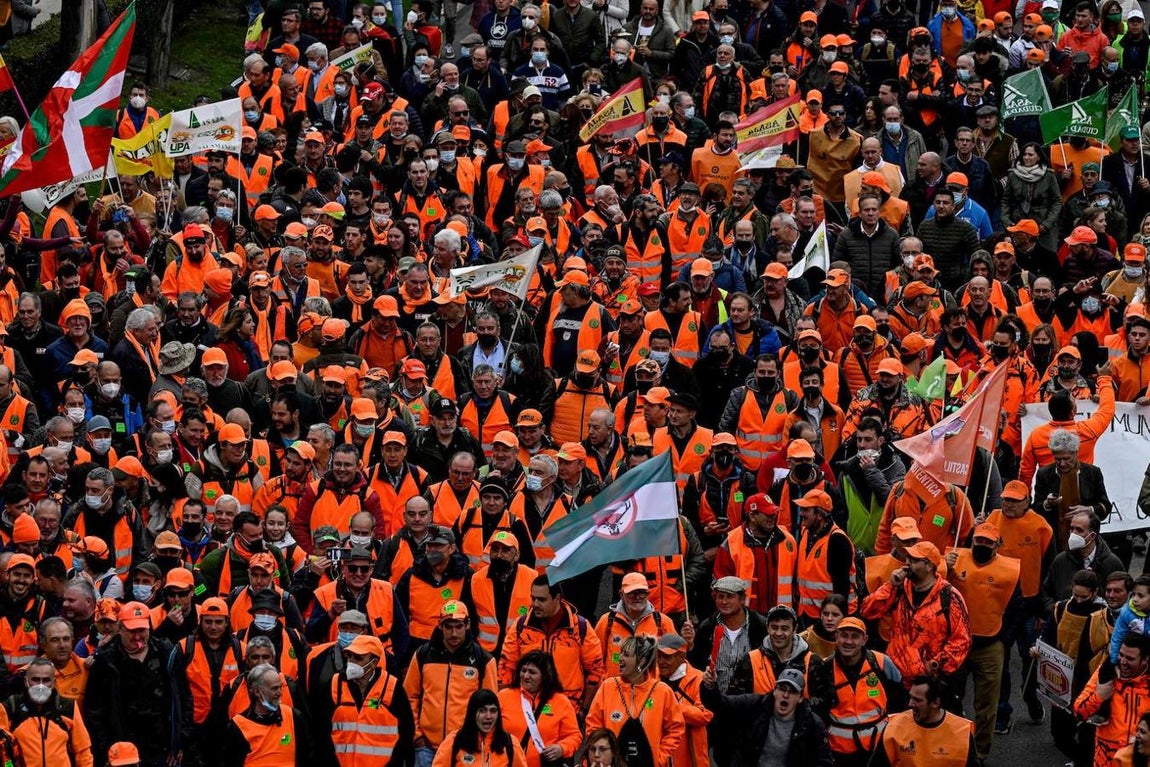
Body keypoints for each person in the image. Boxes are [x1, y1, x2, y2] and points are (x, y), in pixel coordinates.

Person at [83, 601, 188, 767]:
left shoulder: (166, 653)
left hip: (161, 750)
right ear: (120, 628)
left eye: (142, 630)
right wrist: (108, 750)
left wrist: (179, 742)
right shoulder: (106, 660)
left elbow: (183, 698)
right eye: (132, 631)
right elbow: (95, 711)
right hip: (122, 752)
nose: (137, 636)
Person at [862, 541, 972, 695]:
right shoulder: (899, 589)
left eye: (913, 560)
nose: (907, 563)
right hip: (897, 677)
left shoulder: (950, 596)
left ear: (929, 566)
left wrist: (934, 666)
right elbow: (868, 611)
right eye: (907, 559)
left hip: (932, 684)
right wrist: (890, 586)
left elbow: (961, 641)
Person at [405, 600, 498, 766]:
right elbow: (410, 697)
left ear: (467, 625)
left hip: (465, 747)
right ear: (440, 626)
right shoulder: (422, 655)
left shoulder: (483, 660)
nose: (454, 633)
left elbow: (490, 707)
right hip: (426, 747)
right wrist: (417, 736)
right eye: (449, 627)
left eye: (458, 626)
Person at [701, 666, 833, 766]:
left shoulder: (813, 724)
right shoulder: (754, 706)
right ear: (775, 690)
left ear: (800, 698)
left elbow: (824, 762)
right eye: (782, 688)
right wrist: (710, 687)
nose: (785, 695)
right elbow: (719, 704)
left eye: (792, 691)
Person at [585, 636, 684, 767]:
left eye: (626, 655)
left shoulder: (662, 691)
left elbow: (676, 729)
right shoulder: (607, 687)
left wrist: (659, 757)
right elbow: (593, 726)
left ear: (641, 661)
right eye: (621, 653)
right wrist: (601, 756)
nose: (620, 658)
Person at [0, 656, 94, 767]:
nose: (40, 685)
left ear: (54, 682)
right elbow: (3, 750)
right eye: (35, 679)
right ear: (26, 681)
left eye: (46, 680)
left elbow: (83, 751)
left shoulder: (68, 707)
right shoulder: (10, 707)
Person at [496, 651, 583, 767]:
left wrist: (562, 748)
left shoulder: (561, 701)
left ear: (545, 676)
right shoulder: (503, 697)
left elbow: (574, 736)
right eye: (523, 670)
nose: (526, 676)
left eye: (532, 672)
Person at [873, 675, 978, 766]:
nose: (910, 704)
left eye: (917, 700)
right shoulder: (894, 727)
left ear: (935, 703)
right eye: (911, 697)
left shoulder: (961, 733)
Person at [222, 662, 312, 767]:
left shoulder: (293, 716)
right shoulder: (238, 726)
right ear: (257, 691)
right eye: (274, 688)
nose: (279, 693)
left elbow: (307, 756)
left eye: (280, 687)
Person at [432, 689, 528, 767]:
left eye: (493, 710)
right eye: (482, 711)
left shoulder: (510, 743)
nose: (488, 716)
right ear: (472, 713)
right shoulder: (454, 741)